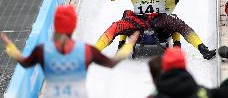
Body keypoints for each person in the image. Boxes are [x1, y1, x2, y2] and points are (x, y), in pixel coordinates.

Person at [0, 5, 139, 98]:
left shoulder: (42, 50)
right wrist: (129, 44)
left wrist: (9, 45)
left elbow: (24, 63)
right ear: (73, 26)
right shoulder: (86, 50)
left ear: (56, 25)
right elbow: (111, 63)